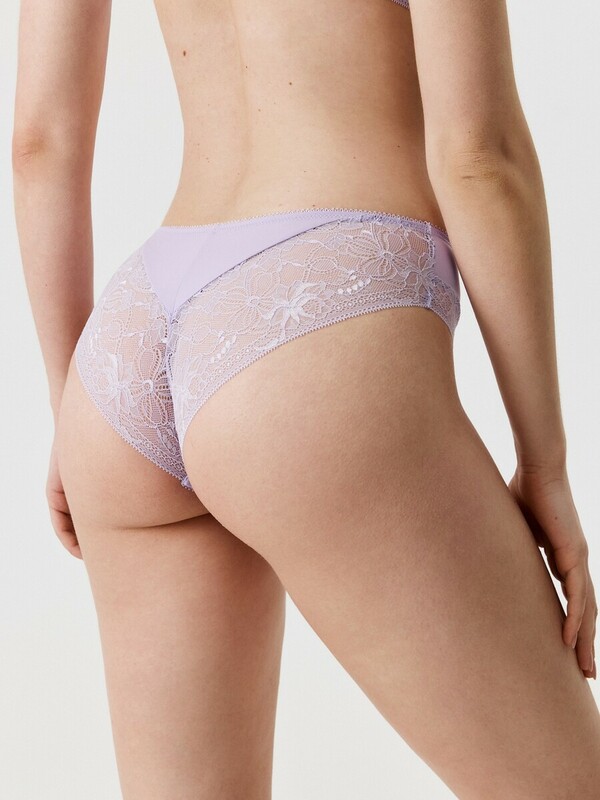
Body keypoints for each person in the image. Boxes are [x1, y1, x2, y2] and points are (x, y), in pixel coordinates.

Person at [12, 0, 600, 797]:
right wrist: (546, 462)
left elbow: (39, 143)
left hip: (130, 345)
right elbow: (477, 158)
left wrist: (71, 409)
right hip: (316, 303)